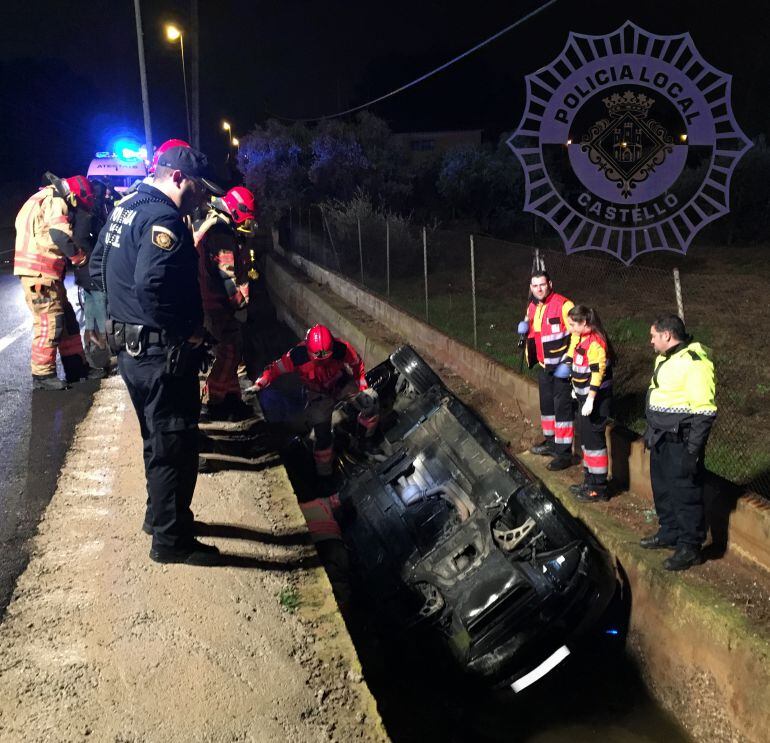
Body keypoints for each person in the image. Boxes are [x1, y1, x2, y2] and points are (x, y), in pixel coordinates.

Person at [89, 141, 222, 565]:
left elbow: (96, 267)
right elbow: (152, 285)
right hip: (161, 355)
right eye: (199, 188)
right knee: (175, 446)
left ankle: (158, 517)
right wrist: (189, 332)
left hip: (133, 352)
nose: (201, 198)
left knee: (156, 439)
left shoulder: (125, 208)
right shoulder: (164, 219)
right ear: (178, 177)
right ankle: (171, 541)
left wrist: (122, 314)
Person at [248, 324, 379, 476]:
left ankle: (365, 441)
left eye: (326, 356)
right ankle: (325, 474)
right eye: (318, 358)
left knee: (370, 399)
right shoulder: (296, 356)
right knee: (322, 435)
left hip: (340, 384)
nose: (322, 361)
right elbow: (274, 370)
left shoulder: (341, 348)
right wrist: (259, 384)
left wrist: (362, 387)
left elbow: (357, 364)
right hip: (318, 394)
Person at [642, 314, 717, 571]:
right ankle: (669, 532)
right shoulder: (665, 358)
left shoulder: (694, 363)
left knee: (685, 493)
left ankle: (690, 547)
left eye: (653, 336)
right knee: (662, 489)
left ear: (667, 335)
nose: (651, 341)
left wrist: (693, 450)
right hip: (661, 437)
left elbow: (704, 411)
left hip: (681, 441)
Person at [14, 173, 102, 390]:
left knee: (68, 320)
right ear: (74, 196)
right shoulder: (56, 200)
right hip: (39, 273)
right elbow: (59, 234)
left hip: (45, 272)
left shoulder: (39, 198)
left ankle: (76, 368)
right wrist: (79, 257)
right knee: (50, 321)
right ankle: (42, 375)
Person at [193, 186, 258, 423]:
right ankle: (215, 401)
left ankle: (231, 398)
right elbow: (227, 276)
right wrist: (240, 303)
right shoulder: (221, 235)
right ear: (237, 211)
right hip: (217, 305)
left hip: (210, 301)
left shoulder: (214, 224)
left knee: (231, 351)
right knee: (229, 351)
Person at [519, 271, 575, 470]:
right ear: (531, 288)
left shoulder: (564, 305)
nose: (539, 289)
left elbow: (578, 334)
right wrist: (524, 327)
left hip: (561, 368)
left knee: (562, 411)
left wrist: (568, 361)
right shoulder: (533, 306)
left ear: (550, 284)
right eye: (535, 286)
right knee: (547, 408)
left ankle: (564, 454)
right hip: (544, 367)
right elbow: (535, 330)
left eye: (542, 285)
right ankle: (551, 444)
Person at [563, 305, 614, 502]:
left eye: (573, 324)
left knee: (594, 443)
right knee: (587, 441)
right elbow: (578, 365)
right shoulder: (581, 338)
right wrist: (575, 388)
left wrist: (591, 398)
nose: (570, 328)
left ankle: (599, 487)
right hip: (584, 398)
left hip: (596, 400)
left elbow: (597, 373)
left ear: (584, 323)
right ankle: (589, 480)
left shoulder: (595, 344)